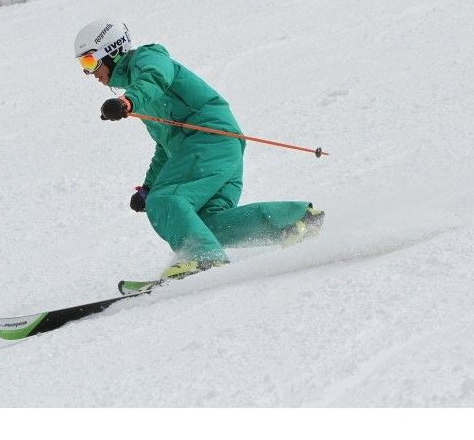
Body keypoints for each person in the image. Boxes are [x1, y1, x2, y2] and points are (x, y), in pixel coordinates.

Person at [75, 18, 324, 280]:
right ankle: (296, 220)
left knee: (166, 201)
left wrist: (127, 102)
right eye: (84, 66)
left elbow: (155, 77)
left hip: (209, 141)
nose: (90, 73)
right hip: (219, 150)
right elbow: (166, 145)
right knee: (206, 225)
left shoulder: (148, 60)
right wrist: (148, 187)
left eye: (90, 62)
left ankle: (203, 259)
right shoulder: (140, 93)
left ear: (112, 51)